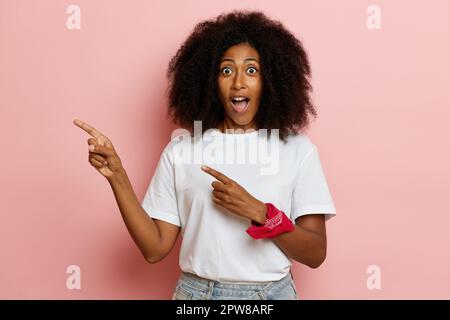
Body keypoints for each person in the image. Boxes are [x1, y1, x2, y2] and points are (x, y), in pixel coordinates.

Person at [73, 10, 336, 300]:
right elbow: (155, 248)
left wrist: (261, 213)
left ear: (271, 80)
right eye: (226, 70)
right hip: (197, 296)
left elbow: (315, 253)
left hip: (271, 295)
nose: (238, 82)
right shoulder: (182, 150)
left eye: (251, 70)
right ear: (210, 81)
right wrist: (117, 176)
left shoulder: (297, 151)